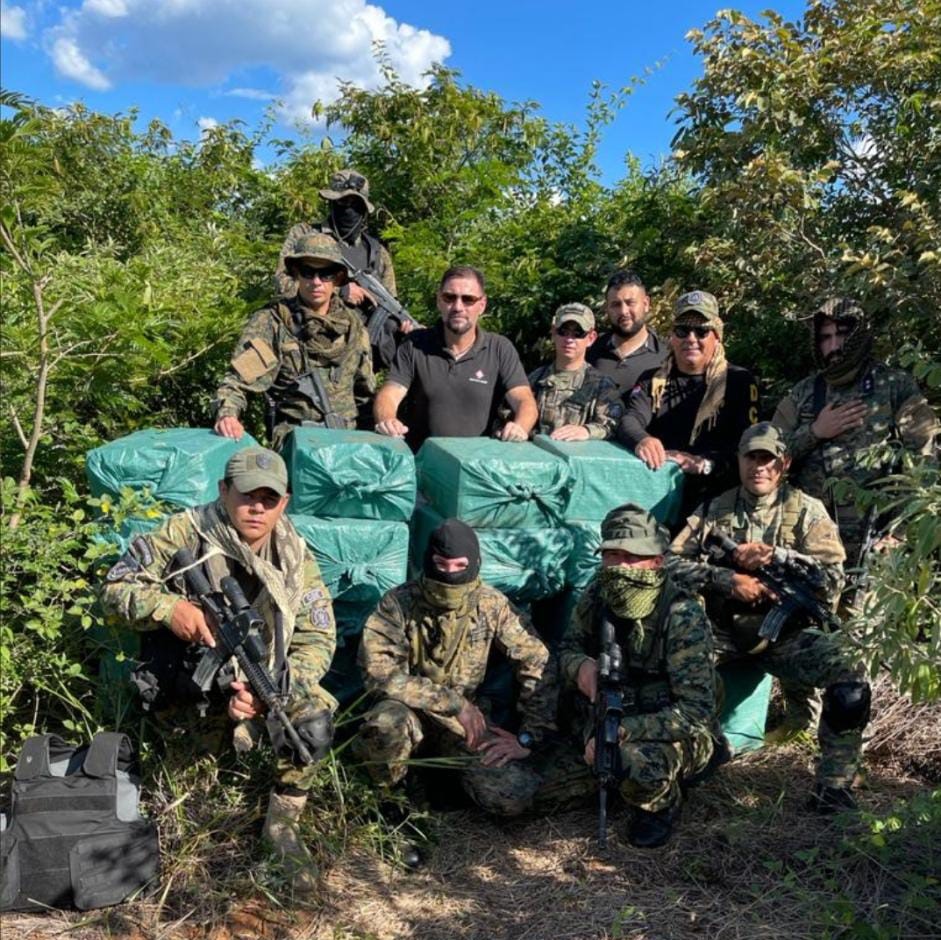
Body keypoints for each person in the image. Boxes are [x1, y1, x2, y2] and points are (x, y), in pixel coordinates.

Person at [99, 447, 338, 894]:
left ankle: (281, 828)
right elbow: (114, 588)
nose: (257, 508)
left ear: (284, 503)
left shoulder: (293, 555)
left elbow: (319, 635)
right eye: (247, 495)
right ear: (223, 491)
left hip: (258, 675)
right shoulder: (184, 532)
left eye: (269, 499)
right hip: (191, 680)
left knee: (311, 721)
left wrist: (275, 688)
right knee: (195, 805)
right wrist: (171, 609)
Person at [668, 423, 870, 812]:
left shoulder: (808, 512)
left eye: (768, 459)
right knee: (669, 669)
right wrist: (726, 578)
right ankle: (680, 769)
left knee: (850, 677)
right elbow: (669, 564)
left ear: (784, 464)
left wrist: (778, 556)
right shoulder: (714, 509)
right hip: (722, 630)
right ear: (740, 460)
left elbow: (833, 581)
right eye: (751, 457)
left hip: (786, 635)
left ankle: (834, 786)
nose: (759, 467)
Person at [352, 519, 557, 824]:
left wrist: (529, 737)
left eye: (459, 565)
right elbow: (379, 675)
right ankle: (390, 802)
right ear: (428, 562)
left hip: (464, 725)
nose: (449, 574)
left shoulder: (491, 605)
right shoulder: (397, 603)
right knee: (386, 724)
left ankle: (444, 780)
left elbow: (537, 661)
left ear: (474, 564)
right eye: (440, 564)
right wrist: (453, 703)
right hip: (410, 714)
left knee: (513, 795)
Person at [551, 504, 717, 848]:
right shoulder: (598, 593)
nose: (621, 567)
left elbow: (696, 710)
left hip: (669, 729)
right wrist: (580, 667)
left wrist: (625, 730)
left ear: (656, 561)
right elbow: (566, 649)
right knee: (525, 792)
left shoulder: (681, 614)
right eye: (613, 556)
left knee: (632, 763)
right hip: (602, 718)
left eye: (633, 558)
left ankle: (661, 805)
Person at [772, 297, 938, 572]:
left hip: (877, 544)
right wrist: (815, 432)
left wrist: (900, 534)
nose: (834, 346)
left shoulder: (894, 386)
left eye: (842, 335)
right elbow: (765, 456)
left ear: (859, 336)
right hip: (810, 542)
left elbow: (925, 461)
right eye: (826, 338)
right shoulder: (802, 393)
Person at [214, 233, 375, 450]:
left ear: (337, 278)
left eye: (325, 274)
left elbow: (366, 396)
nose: (316, 282)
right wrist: (228, 415)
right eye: (308, 272)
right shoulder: (274, 322)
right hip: (295, 442)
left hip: (346, 445)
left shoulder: (354, 328)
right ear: (296, 274)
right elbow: (238, 381)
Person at [617, 290, 759, 526]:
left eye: (701, 331)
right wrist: (643, 439)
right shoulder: (653, 380)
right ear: (672, 337)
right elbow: (629, 420)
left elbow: (748, 445)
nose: (691, 338)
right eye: (682, 330)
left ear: (717, 336)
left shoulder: (739, 381)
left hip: (716, 502)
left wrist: (703, 464)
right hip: (658, 498)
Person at [373, 265, 538, 451]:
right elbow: (389, 394)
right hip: (422, 465)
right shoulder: (414, 345)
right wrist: (387, 420)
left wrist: (520, 427)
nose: (458, 307)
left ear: (482, 305)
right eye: (449, 298)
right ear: (439, 301)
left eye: (468, 299)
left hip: (477, 467)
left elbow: (524, 400)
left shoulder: (499, 348)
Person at [274, 169, 406, 368]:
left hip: (361, 357)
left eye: (356, 205)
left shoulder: (377, 253)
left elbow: (391, 303)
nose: (349, 210)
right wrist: (340, 291)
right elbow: (282, 283)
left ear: (364, 209)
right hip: (311, 348)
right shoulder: (305, 235)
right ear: (331, 202)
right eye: (342, 203)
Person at [527, 302, 623, 440]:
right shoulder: (535, 380)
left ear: (591, 338)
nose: (569, 339)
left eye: (578, 333)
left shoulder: (602, 386)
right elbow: (507, 417)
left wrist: (587, 431)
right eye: (563, 332)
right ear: (553, 333)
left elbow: (613, 424)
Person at [587, 269, 665, 393]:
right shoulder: (591, 352)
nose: (624, 311)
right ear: (607, 308)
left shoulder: (665, 357)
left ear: (646, 304)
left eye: (630, 303)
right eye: (616, 305)